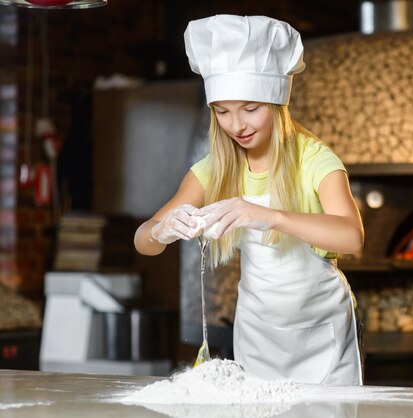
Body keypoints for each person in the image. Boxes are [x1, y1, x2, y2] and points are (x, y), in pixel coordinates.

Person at [134, 14, 364, 386]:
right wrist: (162, 230)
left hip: (322, 337)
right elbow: (142, 241)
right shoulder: (213, 169)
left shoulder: (315, 160)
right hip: (258, 337)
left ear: (276, 104)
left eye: (250, 109)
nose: (237, 125)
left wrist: (268, 216)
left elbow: (352, 236)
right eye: (222, 112)